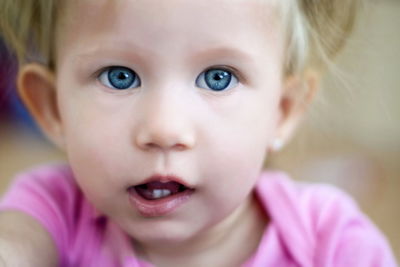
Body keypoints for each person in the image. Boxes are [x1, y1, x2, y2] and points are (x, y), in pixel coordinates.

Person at [0, 0, 397, 266]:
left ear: (282, 110)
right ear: (53, 108)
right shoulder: (54, 209)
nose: (164, 129)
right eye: (119, 77)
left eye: (218, 77)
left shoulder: (330, 242)